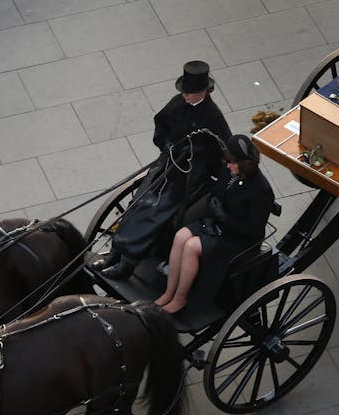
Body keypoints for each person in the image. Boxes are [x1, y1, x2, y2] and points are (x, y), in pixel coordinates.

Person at [93, 61, 232, 279]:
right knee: (138, 202)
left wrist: (196, 152)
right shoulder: (177, 103)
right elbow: (161, 123)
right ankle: (115, 251)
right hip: (167, 163)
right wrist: (166, 143)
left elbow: (223, 149)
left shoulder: (213, 116)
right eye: (184, 92)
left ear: (203, 91)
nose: (184, 96)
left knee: (155, 213)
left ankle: (128, 262)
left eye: (190, 93)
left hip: (188, 176)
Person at [155, 134, 275, 313]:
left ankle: (180, 298)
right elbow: (216, 195)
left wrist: (224, 219)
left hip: (238, 239)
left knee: (191, 246)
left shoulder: (261, 190)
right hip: (215, 224)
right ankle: (169, 292)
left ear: (244, 163)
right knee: (181, 236)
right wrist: (212, 216)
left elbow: (253, 230)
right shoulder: (228, 171)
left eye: (232, 162)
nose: (227, 165)